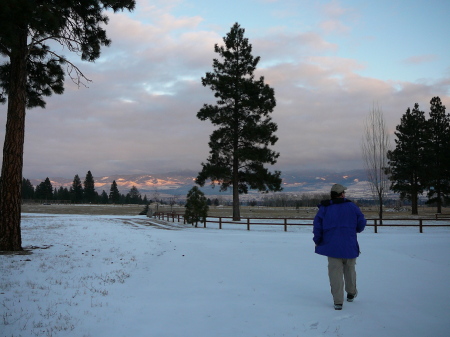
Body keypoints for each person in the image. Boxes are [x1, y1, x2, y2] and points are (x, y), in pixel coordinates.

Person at [313, 183, 366, 310]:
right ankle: (351, 293)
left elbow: (317, 226)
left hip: (332, 246)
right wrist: (355, 230)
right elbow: (361, 223)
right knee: (350, 270)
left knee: (335, 274)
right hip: (349, 245)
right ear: (342, 194)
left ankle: (338, 301)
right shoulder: (352, 207)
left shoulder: (325, 208)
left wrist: (318, 240)